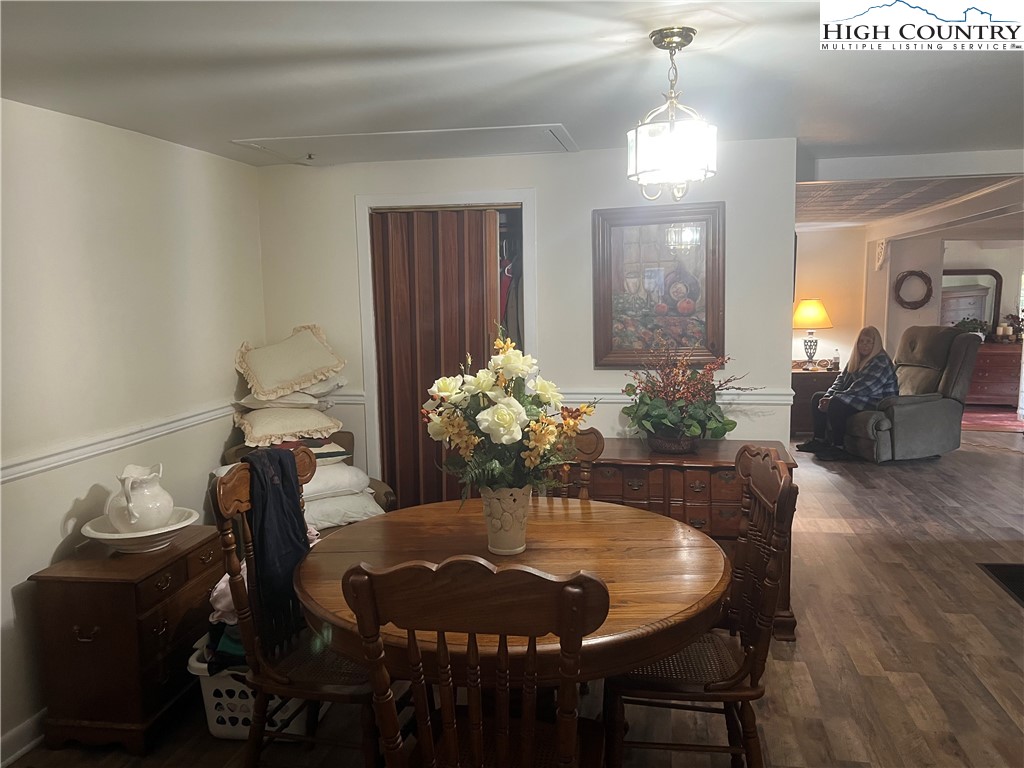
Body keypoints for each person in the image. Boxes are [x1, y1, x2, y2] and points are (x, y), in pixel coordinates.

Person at [795, 326, 899, 461]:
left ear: (876, 344)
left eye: (869, 342)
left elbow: (863, 387)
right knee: (818, 397)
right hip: (859, 397)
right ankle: (819, 440)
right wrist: (828, 395)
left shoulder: (881, 361)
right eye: (861, 341)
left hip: (876, 401)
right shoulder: (856, 359)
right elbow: (841, 380)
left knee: (837, 403)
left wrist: (834, 398)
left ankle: (839, 447)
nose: (864, 345)